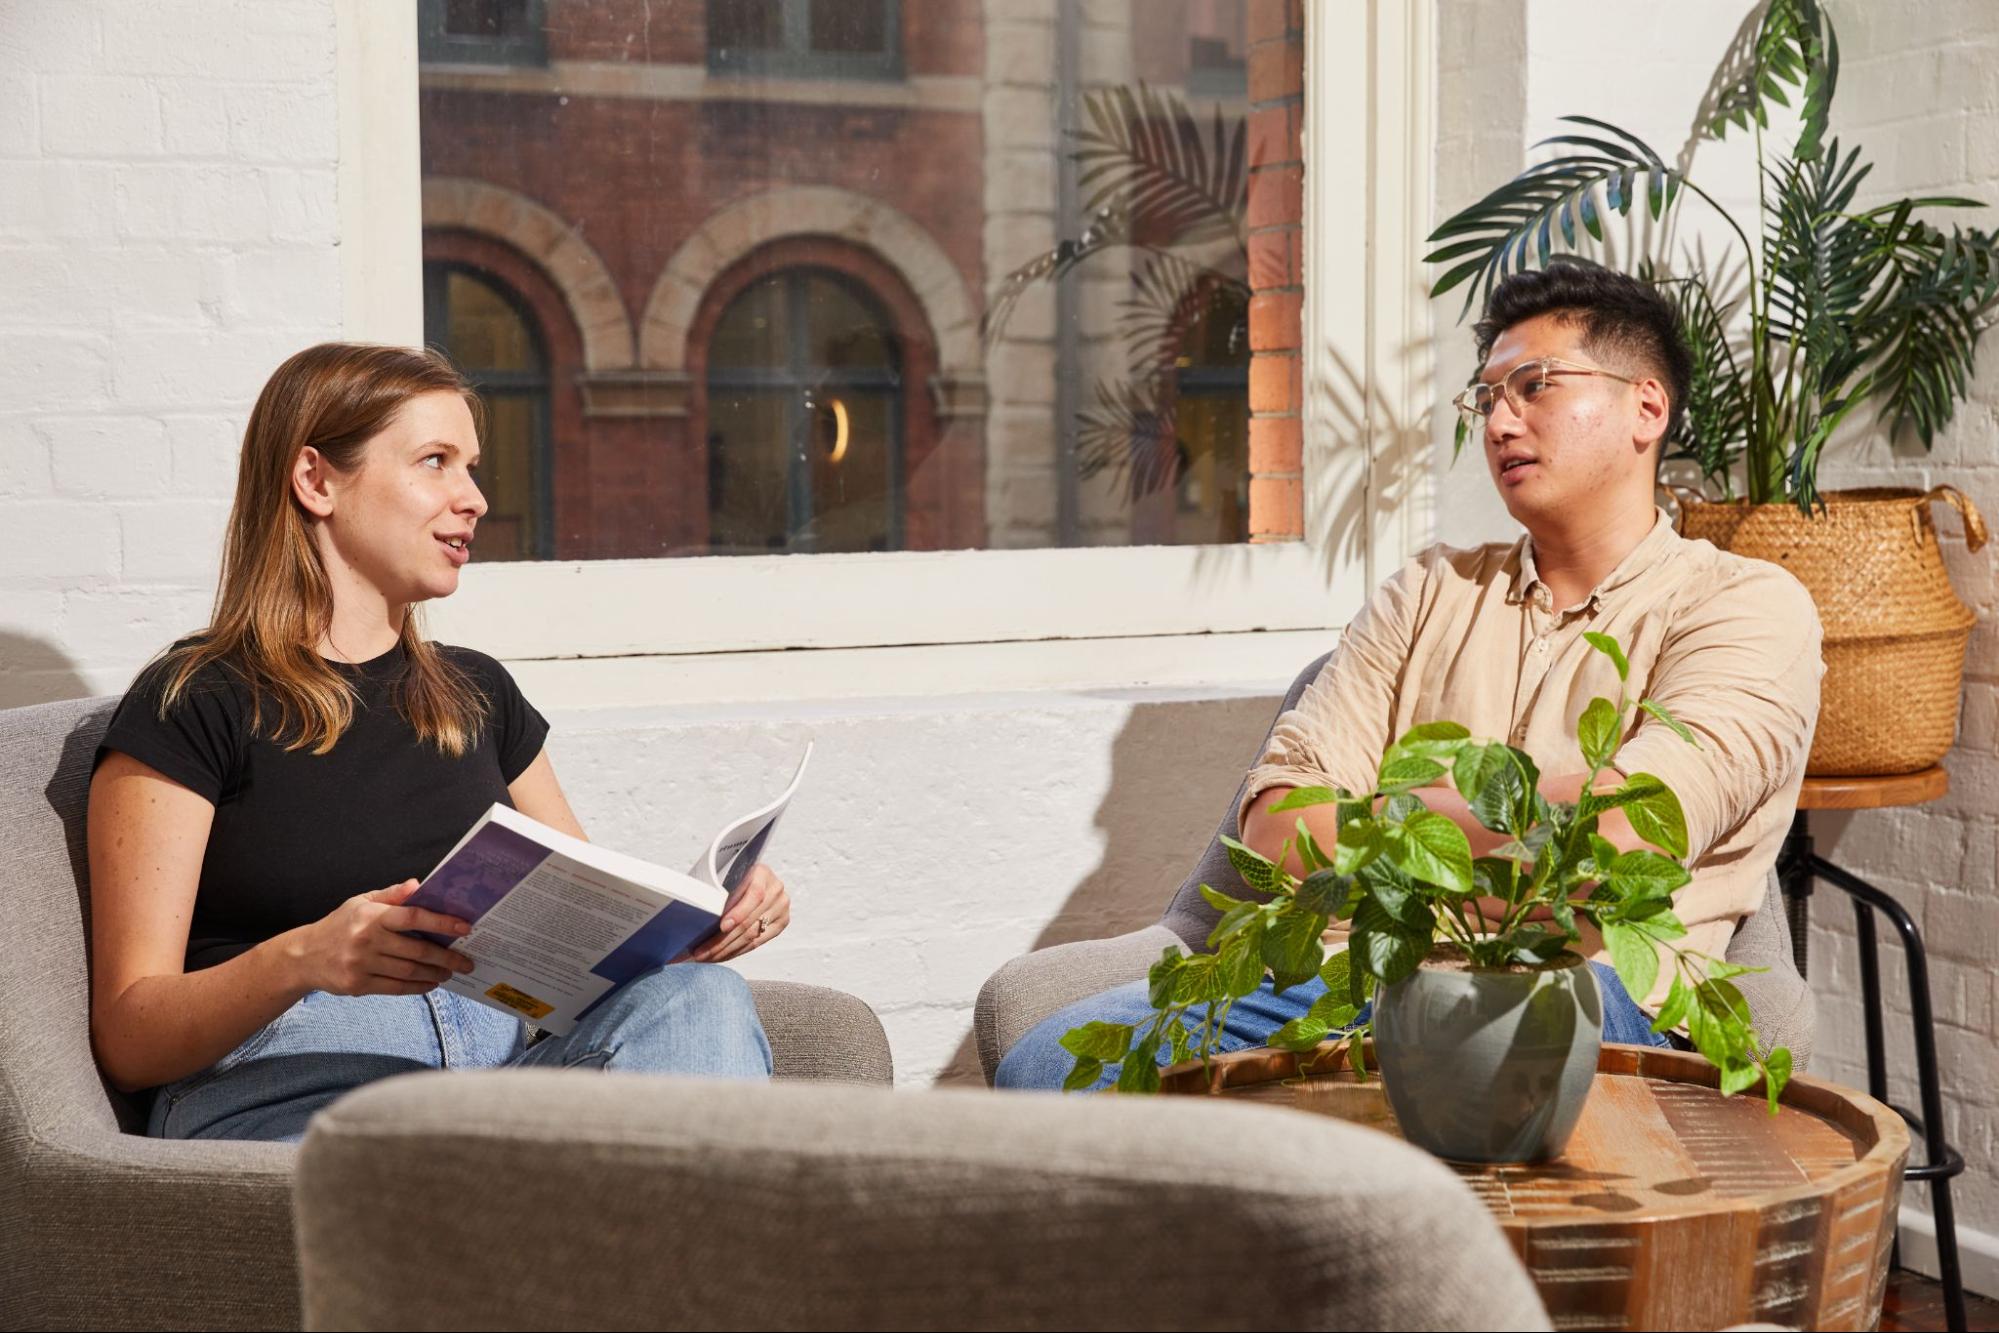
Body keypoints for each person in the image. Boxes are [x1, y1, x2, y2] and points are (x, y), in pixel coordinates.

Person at [997, 258, 1823, 1090]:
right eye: (1487, 397)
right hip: (1353, 983)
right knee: (1048, 1065)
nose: (1499, 423)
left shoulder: (1744, 606)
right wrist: (1521, 826)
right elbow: (1276, 828)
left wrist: (1376, 825)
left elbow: (1618, 844)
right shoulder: (1427, 592)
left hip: (1586, 1002)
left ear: (1646, 405)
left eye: (1532, 386)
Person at [88, 343, 789, 1142]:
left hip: (496, 1087)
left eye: (472, 466)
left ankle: (692, 1256)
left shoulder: (476, 693)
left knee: (702, 1002)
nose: (475, 498)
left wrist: (694, 929)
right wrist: (306, 958)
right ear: (316, 480)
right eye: (436, 461)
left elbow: (585, 951)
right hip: (300, 1097)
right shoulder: (196, 699)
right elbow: (128, 1035)